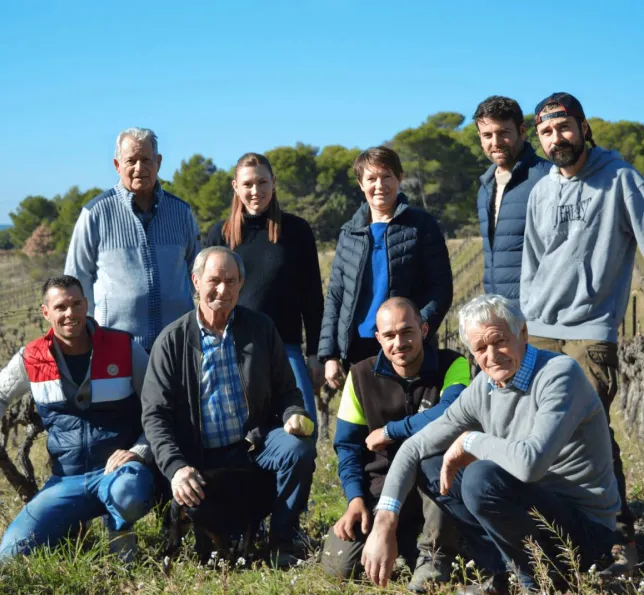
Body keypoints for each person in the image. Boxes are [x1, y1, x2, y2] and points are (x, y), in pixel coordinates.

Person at [521, 92, 644, 572]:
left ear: (583, 127)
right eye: (545, 132)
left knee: (587, 433)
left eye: (563, 128)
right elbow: (531, 265)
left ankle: (620, 538)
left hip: (590, 331)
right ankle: (559, 540)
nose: (556, 139)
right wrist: (523, 322)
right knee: (538, 435)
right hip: (538, 333)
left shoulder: (620, 179)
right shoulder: (541, 191)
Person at [359, 295, 619, 595]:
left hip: (585, 532)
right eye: (480, 348)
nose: (492, 356)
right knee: (432, 465)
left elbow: (531, 464)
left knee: (481, 478)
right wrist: (384, 522)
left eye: (499, 341)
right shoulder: (484, 387)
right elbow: (413, 448)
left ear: (523, 333)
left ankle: (535, 585)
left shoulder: (559, 375)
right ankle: (507, 573)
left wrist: (470, 440)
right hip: (534, 512)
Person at [140, 246, 316, 566]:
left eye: (231, 281)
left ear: (241, 284)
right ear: (196, 281)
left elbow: (288, 392)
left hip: (254, 445)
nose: (223, 289)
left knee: (298, 450)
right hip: (201, 456)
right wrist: (176, 467)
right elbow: (155, 415)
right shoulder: (172, 341)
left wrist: (293, 415)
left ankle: (282, 540)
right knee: (214, 533)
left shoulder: (260, 328)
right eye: (214, 280)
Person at [0, 276, 154, 561]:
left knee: (129, 494)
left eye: (76, 304)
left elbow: (160, 406)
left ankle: (120, 534)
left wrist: (139, 451)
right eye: (60, 307)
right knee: (11, 556)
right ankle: (73, 527)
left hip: (119, 473)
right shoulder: (32, 357)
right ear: (46, 312)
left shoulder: (123, 347)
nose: (70, 313)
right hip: (66, 480)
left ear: (86, 305)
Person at [321, 297, 469, 592]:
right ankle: (402, 544)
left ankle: (434, 558)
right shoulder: (359, 375)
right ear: (378, 338)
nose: (399, 343)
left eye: (406, 332)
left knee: (437, 463)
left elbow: (451, 415)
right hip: (380, 488)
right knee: (338, 566)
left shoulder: (453, 364)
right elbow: (348, 447)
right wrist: (355, 499)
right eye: (389, 335)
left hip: (433, 487)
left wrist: (391, 431)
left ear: (423, 330)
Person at [318, 146, 453, 389]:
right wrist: (329, 355)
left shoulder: (421, 226)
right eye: (371, 178)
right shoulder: (349, 234)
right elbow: (336, 296)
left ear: (399, 178)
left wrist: (416, 332)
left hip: (406, 346)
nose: (379, 185)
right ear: (361, 184)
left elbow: (441, 289)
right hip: (358, 348)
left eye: (386, 176)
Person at [206, 152, 324, 428]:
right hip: (232, 350)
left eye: (262, 182)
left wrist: (316, 354)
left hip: (286, 348)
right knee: (240, 432)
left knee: (304, 428)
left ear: (274, 182)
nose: (255, 191)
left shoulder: (296, 231)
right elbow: (207, 299)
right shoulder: (220, 235)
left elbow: (312, 298)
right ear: (235, 187)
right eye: (247, 184)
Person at [65, 127, 201, 352]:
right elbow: (76, 279)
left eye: (146, 160)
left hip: (178, 345)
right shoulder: (95, 213)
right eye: (131, 161)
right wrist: (87, 335)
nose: (139, 168)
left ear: (158, 162)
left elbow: (196, 271)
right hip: (117, 349)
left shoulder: (181, 212)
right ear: (117, 165)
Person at [474, 96, 551, 304]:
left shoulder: (548, 179)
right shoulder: (485, 188)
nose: (495, 142)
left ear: (522, 131)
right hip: (500, 313)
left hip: (540, 311)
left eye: (503, 133)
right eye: (487, 135)